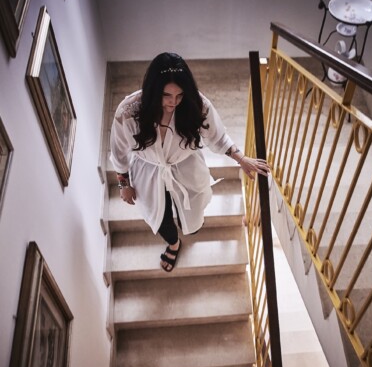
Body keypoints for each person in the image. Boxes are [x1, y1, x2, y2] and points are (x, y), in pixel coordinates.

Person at [110, 52, 269, 272]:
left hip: (186, 167)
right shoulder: (129, 113)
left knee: (193, 216)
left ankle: (189, 226)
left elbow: (217, 136)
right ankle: (174, 243)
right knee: (160, 218)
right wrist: (123, 184)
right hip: (148, 173)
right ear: (153, 91)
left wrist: (240, 158)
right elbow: (118, 151)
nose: (173, 102)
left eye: (179, 95)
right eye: (166, 95)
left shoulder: (196, 104)